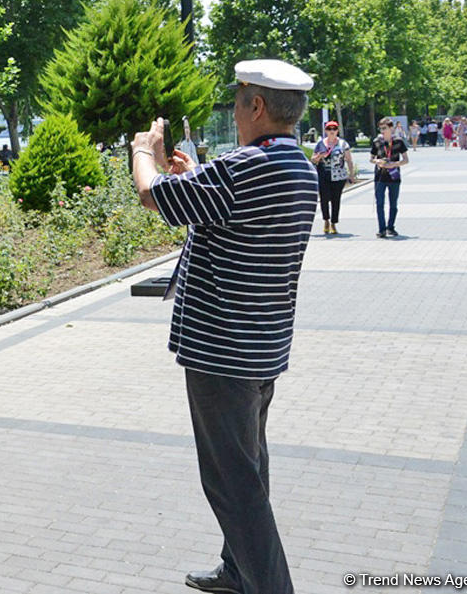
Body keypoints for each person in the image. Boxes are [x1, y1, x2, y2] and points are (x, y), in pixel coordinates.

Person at [132, 59, 317, 594]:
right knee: (250, 465)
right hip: (261, 348)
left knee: (233, 485)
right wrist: (193, 180)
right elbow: (234, 222)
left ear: (256, 106)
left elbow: (153, 197)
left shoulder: (244, 167)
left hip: (223, 354)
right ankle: (238, 570)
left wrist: (144, 153)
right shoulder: (295, 165)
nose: (233, 112)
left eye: (237, 101)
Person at [311, 120, 354, 234]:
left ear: (337, 131)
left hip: (338, 176)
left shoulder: (343, 144)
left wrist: (351, 174)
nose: (332, 131)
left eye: (334, 129)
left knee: (336, 200)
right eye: (329, 129)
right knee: (324, 199)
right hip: (324, 175)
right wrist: (319, 156)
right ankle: (326, 220)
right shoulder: (320, 143)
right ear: (325, 131)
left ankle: (334, 223)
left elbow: (349, 160)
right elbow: (313, 159)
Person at [370, 118, 409, 239]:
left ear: (391, 128)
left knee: (393, 204)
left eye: (385, 128)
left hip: (394, 176)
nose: (382, 131)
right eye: (381, 128)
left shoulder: (398, 141)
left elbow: (406, 160)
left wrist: (395, 164)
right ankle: (381, 229)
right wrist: (378, 161)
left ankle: (390, 227)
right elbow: (371, 158)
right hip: (380, 176)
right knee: (379, 203)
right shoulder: (377, 141)